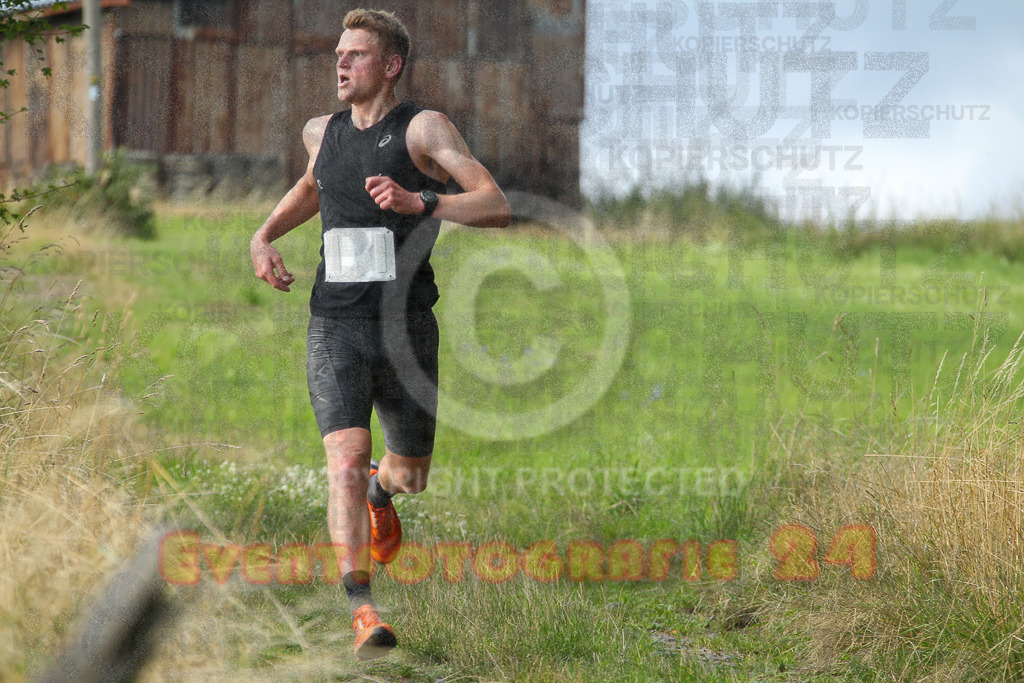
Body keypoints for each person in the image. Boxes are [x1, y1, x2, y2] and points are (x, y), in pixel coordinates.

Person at [249, 8, 510, 661]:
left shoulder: (423, 129)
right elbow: (313, 186)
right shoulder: (323, 131)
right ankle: (362, 610)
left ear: (390, 65)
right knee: (340, 460)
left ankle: (381, 488)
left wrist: (422, 201)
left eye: (357, 55)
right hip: (334, 324)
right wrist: (264, 235)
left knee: (411, 472)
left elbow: (495, 203)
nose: (341, 64)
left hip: (406, 329)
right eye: (339, 54)